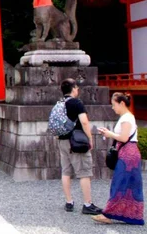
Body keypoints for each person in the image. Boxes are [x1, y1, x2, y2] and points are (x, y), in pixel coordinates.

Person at [93, 93, 143, 225]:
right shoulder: (127, 117)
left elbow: (124, 138)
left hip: (128, 154)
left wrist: (109, 134)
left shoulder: (126, 118)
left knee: (119, 183)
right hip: (130, 153)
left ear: (121, 103)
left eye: (114, 104)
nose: (112, 107)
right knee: (129, 185)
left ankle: (109, 214)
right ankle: (132, 214)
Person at [57, 79, 102, 215]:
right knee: (84, 172)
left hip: (62, 141)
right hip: (76, 142)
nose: (78, 90)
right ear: (73, 88)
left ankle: (69, 202)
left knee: (66, 171)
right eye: (77, 87)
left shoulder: (59, 104)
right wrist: (90, 138)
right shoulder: (76, 103)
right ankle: (87, 204)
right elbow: (84, 121)